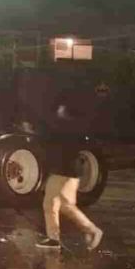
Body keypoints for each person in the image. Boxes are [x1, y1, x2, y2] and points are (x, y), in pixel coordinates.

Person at [36, 98, 104, 251]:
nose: (58, 111)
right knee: (66, 206)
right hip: (72, 171)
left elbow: (51, 143)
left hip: (62, 170)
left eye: (60, 109)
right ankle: (92, 230)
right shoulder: (75, 127)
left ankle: (54, 239)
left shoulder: (63, 127)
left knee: (50, 203)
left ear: (65, 111)